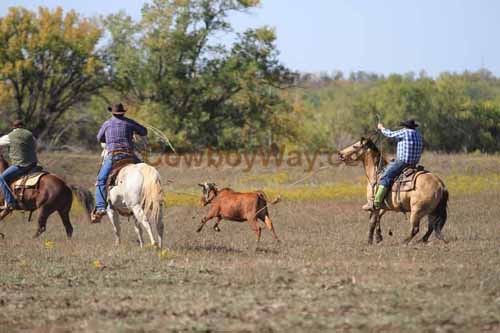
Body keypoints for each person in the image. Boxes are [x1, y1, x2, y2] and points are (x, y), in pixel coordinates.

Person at [92, 103, 148, 223]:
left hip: (113, 156)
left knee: (101, 180)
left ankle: (101, 207)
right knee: (145, 173)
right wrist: (134, 132)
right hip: (129, 156)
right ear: (123, 112)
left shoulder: (107, 124)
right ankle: (150, 198)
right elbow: (144, 131)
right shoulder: (129, 122)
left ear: (112, 112)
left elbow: (99, 138)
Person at [363, 119, 423, 211]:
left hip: (402, 162)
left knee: (385, 176)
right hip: (414, 163)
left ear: (405, 126)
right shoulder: (418, 134)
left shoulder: (405, 132)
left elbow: (390, 134)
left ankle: (376, 202)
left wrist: (381, 128)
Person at [0, 120, 38, 212]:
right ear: (23, 126)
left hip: (20, 165)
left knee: (1, 178)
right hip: (33, 163)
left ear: (14, 127)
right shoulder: (30, 134)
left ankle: (11, 202)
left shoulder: (10, 136)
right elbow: (35, 145)